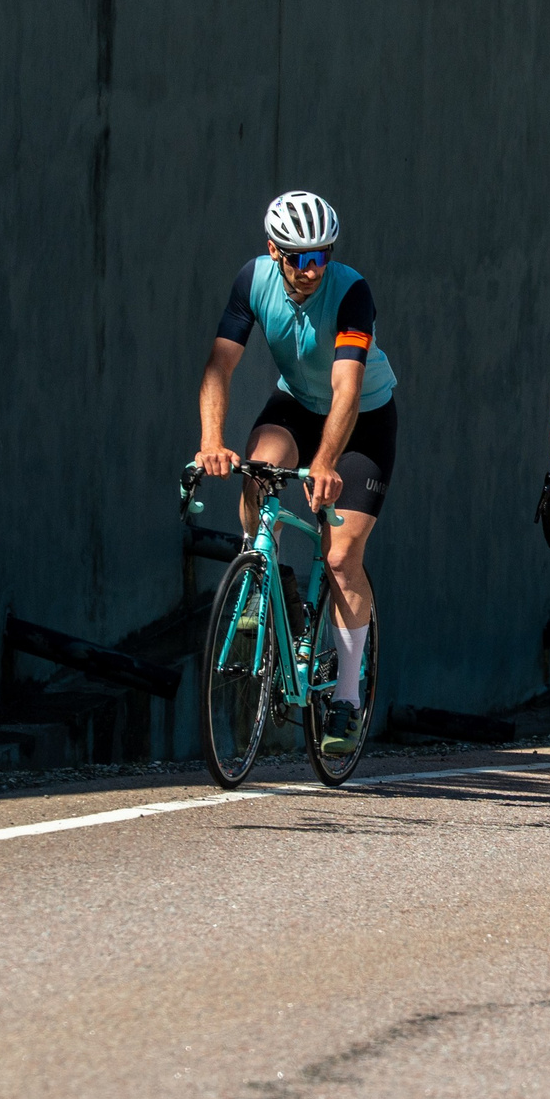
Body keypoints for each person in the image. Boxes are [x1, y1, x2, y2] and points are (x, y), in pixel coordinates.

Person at [195, 192, 394, 757]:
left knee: (340, 557)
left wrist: (326, 461)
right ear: (273, 251)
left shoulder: (351, 291)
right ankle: (260, 574)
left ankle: (347, 697)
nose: (311, 270)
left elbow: (347, 388)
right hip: (297, 404)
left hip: (363, 419)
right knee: (260, 464)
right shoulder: (252, 280)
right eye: (299, 258)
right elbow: (219, 366)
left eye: (321, 257)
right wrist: (211, 441)